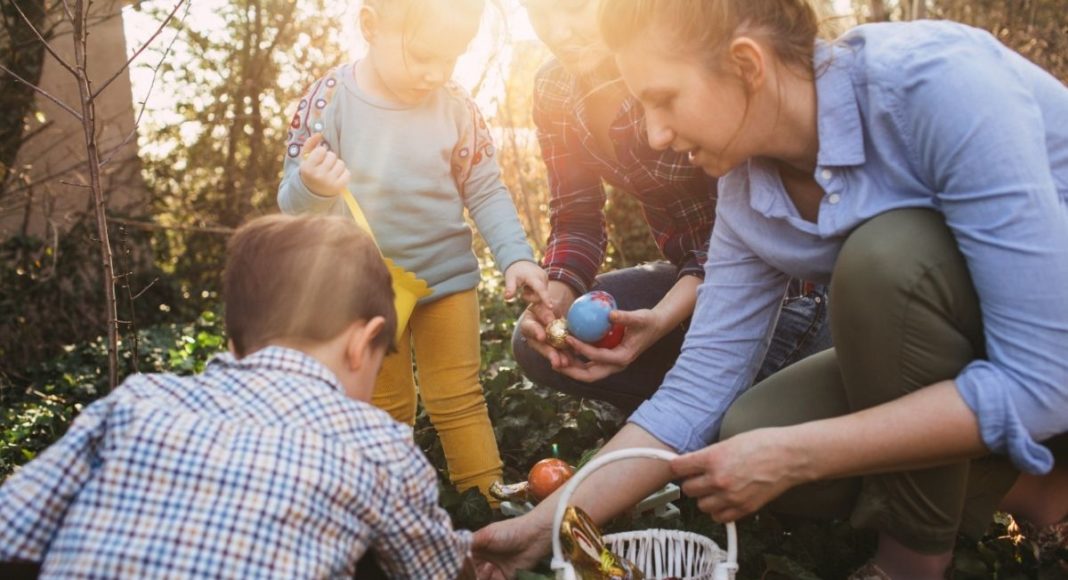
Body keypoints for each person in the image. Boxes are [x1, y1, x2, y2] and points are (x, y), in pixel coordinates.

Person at [473, 2, 1068, 579]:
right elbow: (694, 391)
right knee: (754, 427)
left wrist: (799, 453)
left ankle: (909, 563)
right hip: (977, 346)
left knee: (887, 258)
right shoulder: (745, 189)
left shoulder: (934, 83)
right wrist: (544, 528)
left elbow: (1046, 378)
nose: (653, 135)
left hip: (1050, 346)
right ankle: (1042, 491)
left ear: (747, 64)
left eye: (664, 99)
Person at [0, 214, 473, 578]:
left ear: (234, 343)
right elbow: (438, 572)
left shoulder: (137, 401)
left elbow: (10, 535)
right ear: (360, 343)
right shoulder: (378, 444)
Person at [278, 0, 550, 502]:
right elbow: (292, 204)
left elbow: (484, 189)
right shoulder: (328, 100)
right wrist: (314, 186)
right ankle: (389, 514)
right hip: (364, 294)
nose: (435, 73)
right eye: (423, 55)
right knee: (383, 407)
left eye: (452, 57)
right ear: (370, 25)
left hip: (447, 282)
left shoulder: (456, 106)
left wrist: (516, 255)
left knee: (460, 399)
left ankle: (486, 507)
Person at [513, 0, 831, 414]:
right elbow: (576, 217)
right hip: (691, 279)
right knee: (530, 341)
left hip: (779, 285)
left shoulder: (686, 70)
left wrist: (662, 320)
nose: (558, 32)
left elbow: (745, 232)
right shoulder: (554, 90)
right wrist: (553, 302)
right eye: (540, 15)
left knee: (724, 414)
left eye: (574, 8)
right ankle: (692, 409)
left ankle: (731, 402)